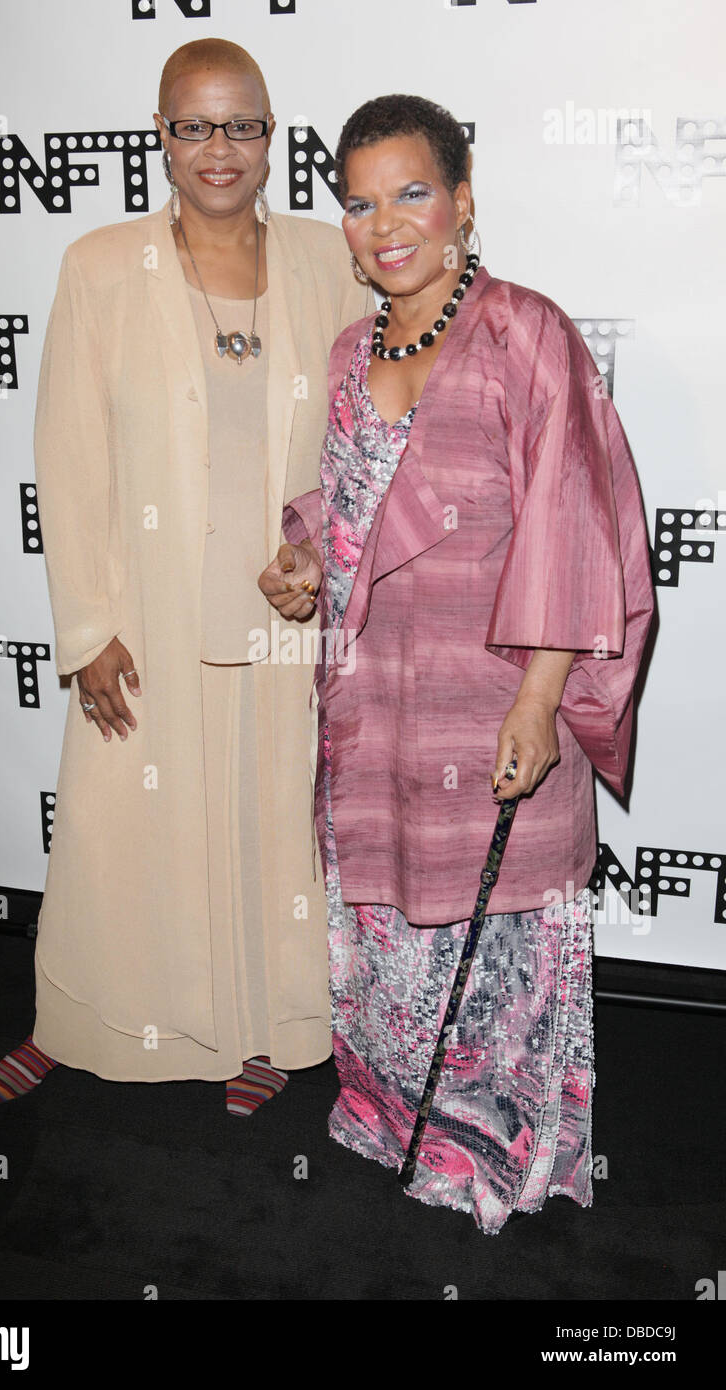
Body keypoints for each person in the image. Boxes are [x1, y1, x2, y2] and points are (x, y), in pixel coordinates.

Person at [260, 94, 655, 1232]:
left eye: (411, 192)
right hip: (375, 704)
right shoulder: (348, 351)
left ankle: (497, 1147)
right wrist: (297, 565)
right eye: (359, 201)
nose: (384, 223)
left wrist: (540, 698)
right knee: (386, 933)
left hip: (488, 703)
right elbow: (339, 512)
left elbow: (572, 517)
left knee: (497, 946)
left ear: (463, 200)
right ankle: (394, 1116)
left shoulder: (527, 332)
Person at [0, 39, 369, 1115]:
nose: (218, 149)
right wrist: (87, 624)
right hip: (143, 609)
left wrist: (318, 554)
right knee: (118, 829)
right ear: (160, 135)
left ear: (272, 135)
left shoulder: (329, 260)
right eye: (193, 125)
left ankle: (264, 1028)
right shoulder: (100, 265)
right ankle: (83, 1019)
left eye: (241, 125)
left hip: (278, 616)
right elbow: (69, 454)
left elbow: (364, 434)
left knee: (266, 822)